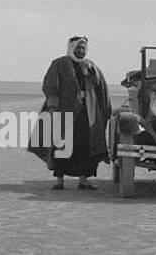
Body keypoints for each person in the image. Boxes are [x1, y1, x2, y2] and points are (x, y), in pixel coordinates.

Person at [41, 35, 112, 190]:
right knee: (62, 145)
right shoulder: (59, 64)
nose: (80, 51)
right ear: (71, 48)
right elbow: (50, 86)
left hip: (87, 113)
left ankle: (83, 180)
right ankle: (59, 181)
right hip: (65, 110)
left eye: (83, 48)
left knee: (86, 145)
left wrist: (92, 72)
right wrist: (53, 107)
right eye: (78, 48)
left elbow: (100, 86)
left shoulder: (90, 65)